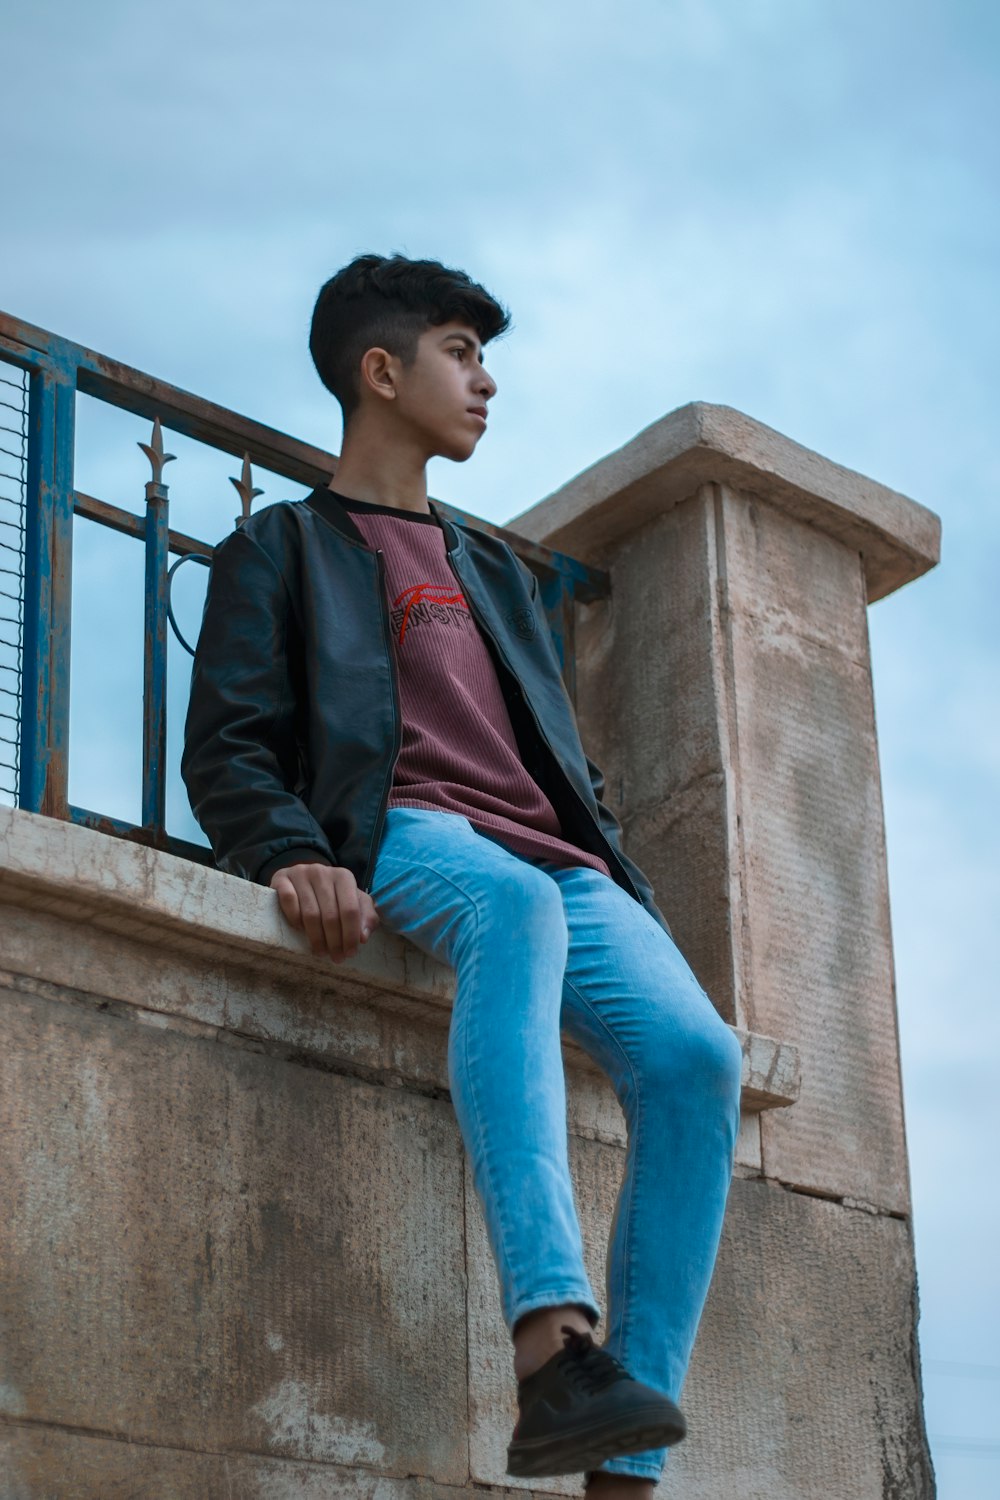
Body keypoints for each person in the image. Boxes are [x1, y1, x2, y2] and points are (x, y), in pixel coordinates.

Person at [181, 253, 743, 1496]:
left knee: (702, 1059)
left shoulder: (494, 573)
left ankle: (623, 1457)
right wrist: (287, 850)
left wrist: (604, 853)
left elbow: (558, 767)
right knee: (512, 905)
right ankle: (554, 1347)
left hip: (555, 854)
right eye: (461, 354)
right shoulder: (279, 549)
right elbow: (223, 745)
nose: (486, 384)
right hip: (409, 827)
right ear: (381, 373)